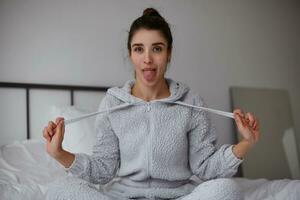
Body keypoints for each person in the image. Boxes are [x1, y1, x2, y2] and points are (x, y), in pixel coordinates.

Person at [44, 8, 260, 200]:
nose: (147, 59)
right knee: (60, 189)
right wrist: (59, 153)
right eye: (139, 49)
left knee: (228, 189)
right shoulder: (112, 102)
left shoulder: (191, 102)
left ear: (169, 53)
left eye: (156, 49)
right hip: (123, 196)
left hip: (178, 196)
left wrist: (245, 144)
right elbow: (103, 170)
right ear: (130, 54)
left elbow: (205, 168)